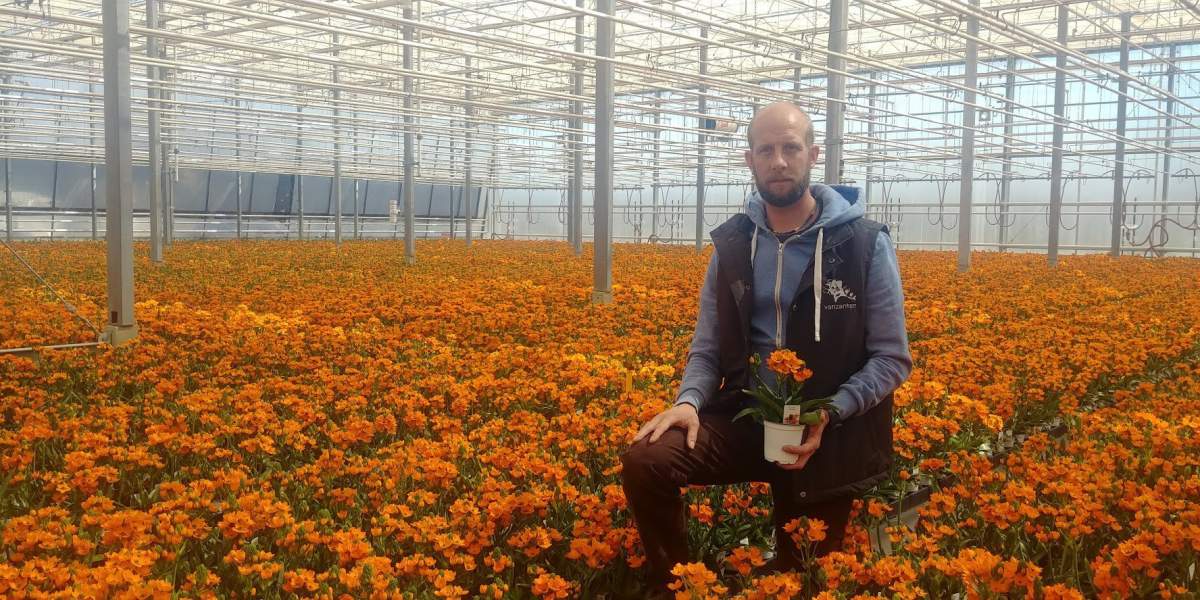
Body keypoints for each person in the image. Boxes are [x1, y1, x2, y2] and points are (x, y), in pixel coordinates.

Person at [620, 102, 912, 592]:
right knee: (647, 459)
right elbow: (707, 344)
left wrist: (831, 411)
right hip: (747, 418)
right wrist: (688, 402)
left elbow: (892, 357)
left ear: (812, 155)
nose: (779, 160)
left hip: (824, 435)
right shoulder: (733, 244)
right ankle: (678, 584)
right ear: (749, 160)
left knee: (801, 580)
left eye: (791, 148)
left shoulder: (863, 244)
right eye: (767, 150)